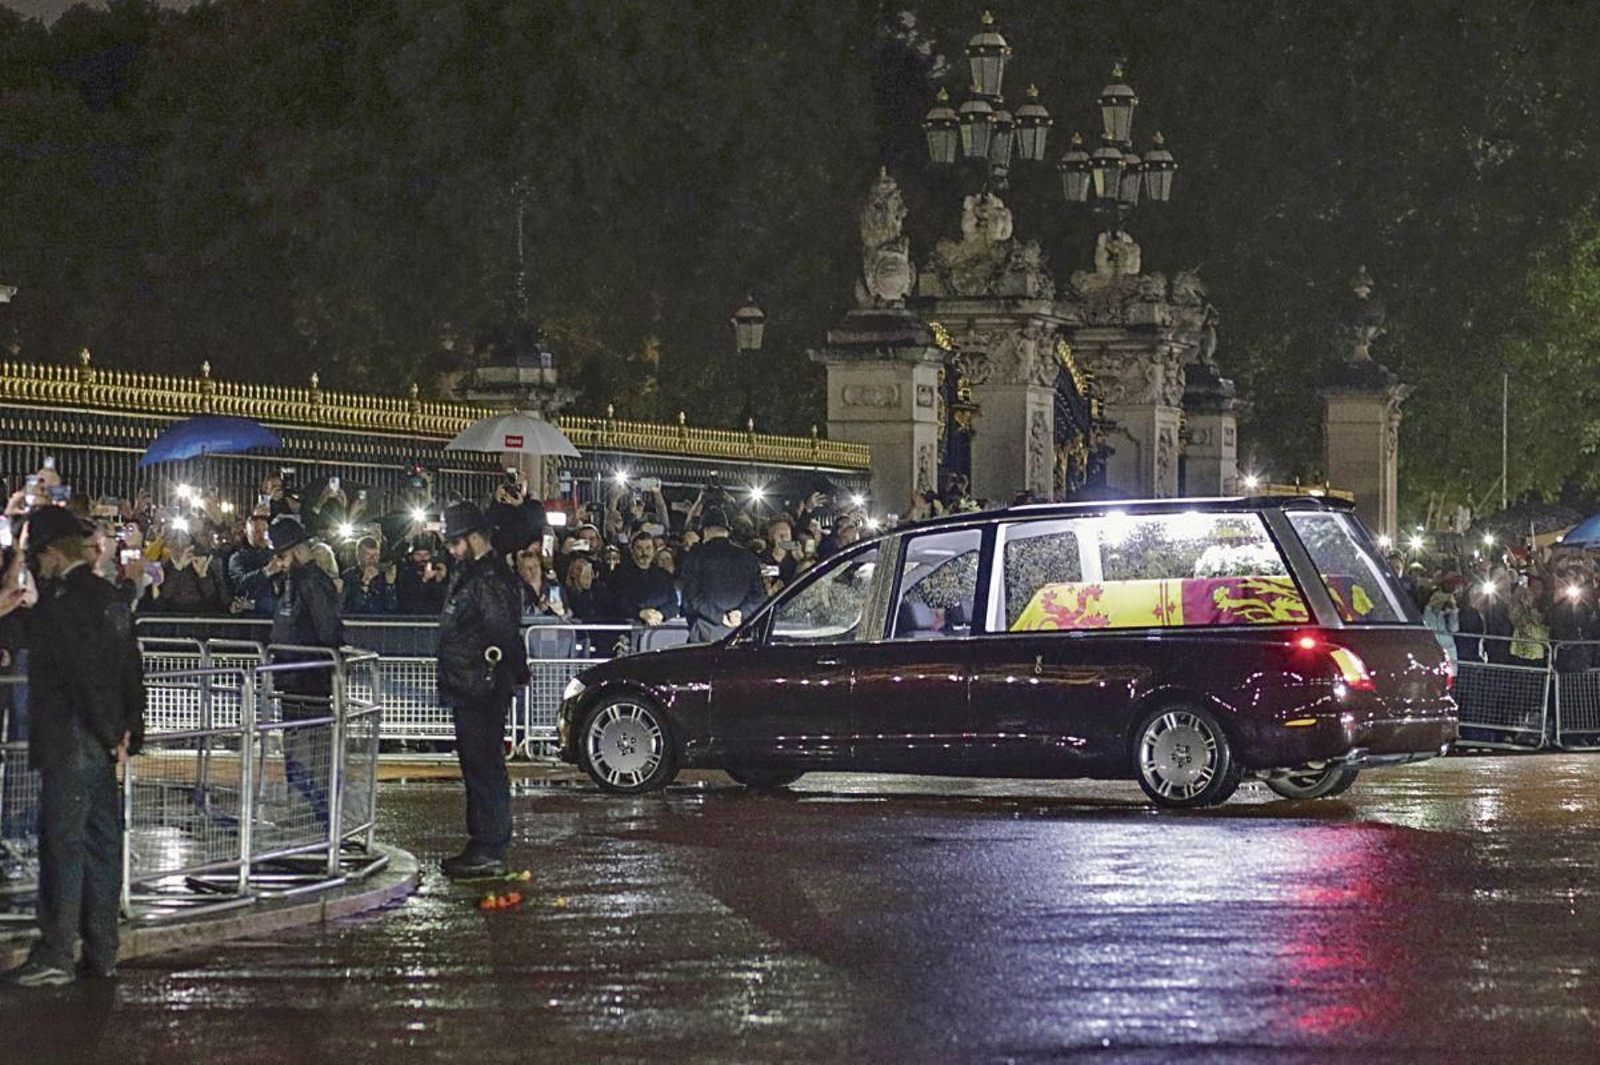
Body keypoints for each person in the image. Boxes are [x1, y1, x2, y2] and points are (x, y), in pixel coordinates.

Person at [3, 508, 143, 986]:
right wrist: (126, 732)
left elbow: (80, 676)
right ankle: (102, 950)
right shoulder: (110, 596)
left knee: (62, 845)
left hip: (71, 739)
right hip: (102, 744)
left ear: (51, 553)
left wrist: (107, 731)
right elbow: (131, 667)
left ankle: (57, 953)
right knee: (102, 844)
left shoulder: (61, 607)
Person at [436, 502, 529, 880]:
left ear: (475, 538)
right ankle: (483, 843)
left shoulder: (488, 578)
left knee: (485, 766)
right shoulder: (474, 573)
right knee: (476, 766)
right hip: (472, 683)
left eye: (456, 543)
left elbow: (501, 632)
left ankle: (490, 846)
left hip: (481, 686)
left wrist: (496, 674)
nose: (453, 550)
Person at [267, 517, 344, 827]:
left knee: (310, 753)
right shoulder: (298, 582)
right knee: (300, 752)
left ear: (296, 551)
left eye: (282, 556)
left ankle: (314, 818)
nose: (279, 564)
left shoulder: (312, 583)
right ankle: (304, 814)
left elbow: (328, 631)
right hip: (295, 679)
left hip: (309, 680)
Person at [679, 507, 768, 643]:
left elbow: (693, 597)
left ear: (706, 532)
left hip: (705, 633)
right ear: (727, 531)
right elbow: (760, 595)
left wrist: (720, 617)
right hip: (741, 634)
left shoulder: (695, 557)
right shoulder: (749, 558)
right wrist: (741, 614)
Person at [609, 529, 680, 628]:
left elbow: (673, 604)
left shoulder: (664, 576)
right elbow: (616, 602)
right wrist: (640, 613)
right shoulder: (619, 575)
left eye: (648, 548)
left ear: (654, 550)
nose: (644, 552)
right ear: (632, 550)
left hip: (660, 628)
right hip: (630, 629)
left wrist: (661, 614)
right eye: (639, 548)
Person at [228, 505, 281, 617]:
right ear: (247, 532)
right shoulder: (238, 558)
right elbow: (240, 583)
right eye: (256, 531)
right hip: (251, 619)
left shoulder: (276, 555)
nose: (261, 535)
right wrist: (266, 571)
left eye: (264, 531)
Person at [341, 536, 398, 615]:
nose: (372, 559)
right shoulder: (349, 576)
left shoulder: (384, 576)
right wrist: (365, 583)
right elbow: (354, 608)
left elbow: (392, 608)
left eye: (376, 555)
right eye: (368, 555)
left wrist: (390, 584)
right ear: (359, 556)